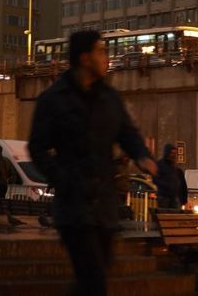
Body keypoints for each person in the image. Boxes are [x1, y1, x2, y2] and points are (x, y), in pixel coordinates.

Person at [28, 30, 158, 295]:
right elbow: (37, 147)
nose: (107, 57)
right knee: (94, 278)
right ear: (85, 58)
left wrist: (141, 155)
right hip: (74, 207)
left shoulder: (110, 98)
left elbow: (127, 132)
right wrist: (62, 179)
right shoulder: (53, 100)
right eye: (101, 51)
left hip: (104, 207)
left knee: (93, 278)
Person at [153, 144, 187, 210]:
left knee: (176, 213)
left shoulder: (173, 166)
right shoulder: (160, 165)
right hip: (164, 196)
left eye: (175, 153)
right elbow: (155, 179)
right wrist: (167, 185)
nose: (173, 155)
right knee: (164, 213)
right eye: (172, 153)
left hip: (174, 196)